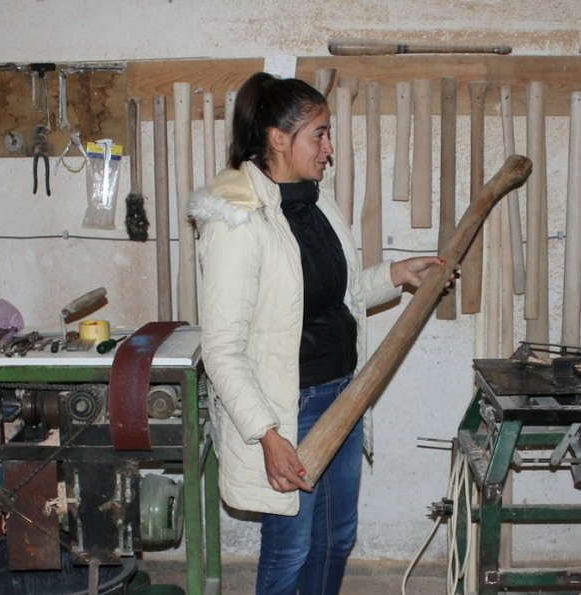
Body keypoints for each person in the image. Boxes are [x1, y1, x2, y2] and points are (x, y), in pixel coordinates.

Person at [188, 72, 449, 595]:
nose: (329, 148)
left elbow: (333, 295)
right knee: (291, 550)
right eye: (320, 135)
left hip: (343, 395)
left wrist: (395, 275)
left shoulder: (315, 203)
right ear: (278, 139)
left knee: (336, 538)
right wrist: (267, 432)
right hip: (290, 409)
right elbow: (222, 349)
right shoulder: (236, 221)